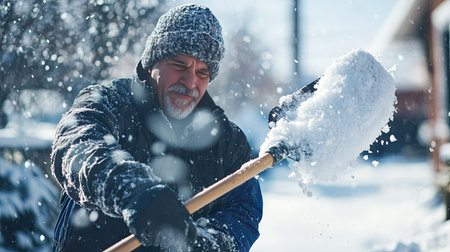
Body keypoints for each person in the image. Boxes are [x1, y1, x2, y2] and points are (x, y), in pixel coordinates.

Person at [51, 3, 263, 252]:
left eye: (203, 72)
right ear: (153, 63)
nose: (190, 82)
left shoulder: (228, 142)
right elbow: (76, 146)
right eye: (179, 65)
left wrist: (203, 244)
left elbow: (243, 211)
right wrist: (134, 191)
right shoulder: (108, 102)